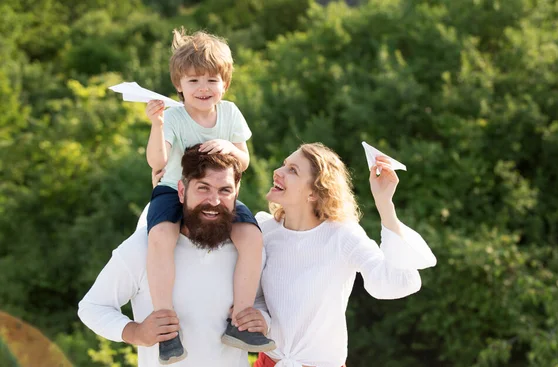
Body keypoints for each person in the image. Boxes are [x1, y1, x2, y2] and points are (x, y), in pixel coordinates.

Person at [144, 28, 272, 363]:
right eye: (194, 81)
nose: (203, 88)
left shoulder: (229, 113)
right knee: (160, 235)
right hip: (174, 189)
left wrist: (230, 146)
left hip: (220, 193)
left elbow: (244, 160)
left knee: (252, 237)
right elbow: (157, 163)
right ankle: (165, 325)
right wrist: (156, 126)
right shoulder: (173, 117)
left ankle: (241, 319)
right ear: (179, 86)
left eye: (212, 81)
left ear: (225, 84)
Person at [78, 148, 273, 367]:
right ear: (181, 191)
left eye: (225, 190)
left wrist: (262, 319)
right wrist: (136, 333)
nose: (214, 200)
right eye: (203, 188)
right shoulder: (144, 247)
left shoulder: (249, 250)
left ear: (236, 194)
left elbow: (262, 302)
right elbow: (93, 307)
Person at [254, 143, 437, 367]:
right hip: (269, 362)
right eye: (284, 165)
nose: (278, 172)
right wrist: (260, 317)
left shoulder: (342, 235)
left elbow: (397, 282)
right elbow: (254, 294)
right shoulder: (265, 230)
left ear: (314, 192)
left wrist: (384, 204)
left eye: (292, 170)